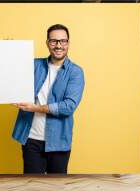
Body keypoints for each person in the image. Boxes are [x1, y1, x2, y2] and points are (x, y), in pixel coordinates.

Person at [12, 24, 85, 174]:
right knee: (32, 188)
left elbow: (68, 106)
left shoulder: (75, 72)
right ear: (47, 43)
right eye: (54, 41)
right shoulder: (34, 65)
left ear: (68, 43)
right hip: (31, 138)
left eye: (63, 41)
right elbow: (11, 70)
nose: (58, 45)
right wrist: (8, 48)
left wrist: (36, 108)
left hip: (59, 141)